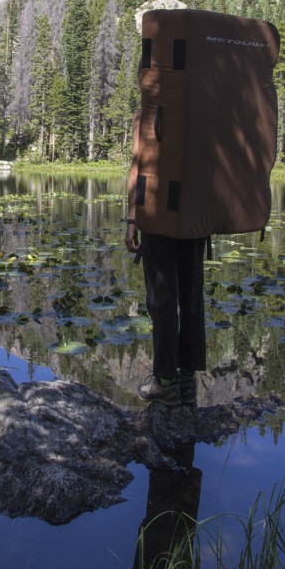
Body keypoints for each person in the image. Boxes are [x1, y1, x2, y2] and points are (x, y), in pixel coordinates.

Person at [125, 106, 206, 407]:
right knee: (191, 297)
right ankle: (188, 380)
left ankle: (165, 381)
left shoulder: (145, 115)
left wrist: (132, 221)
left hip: (157, 216)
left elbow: (138, 168)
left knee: (162, 300)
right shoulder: (198, 112)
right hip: (195, 218)